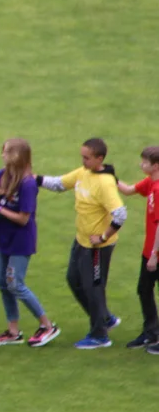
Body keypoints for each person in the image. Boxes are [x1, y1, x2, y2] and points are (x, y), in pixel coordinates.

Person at [37, 138, 127, 349]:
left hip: (97, 247)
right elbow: (60, 184)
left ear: (99, 158)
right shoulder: (83, 173)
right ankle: (105, 318)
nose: (83, 161)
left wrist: (103, 237)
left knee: (93, 288)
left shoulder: (105, 183)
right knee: (73, 279)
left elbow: (121, 214)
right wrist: (36, 179)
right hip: (82, 240)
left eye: (87, 158)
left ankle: (100, 335)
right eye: (82, 157)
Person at [0, 139, 59, 347]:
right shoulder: (3, 175)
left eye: (7, 153)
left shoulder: (28, 184)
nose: (3, 156)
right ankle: (13, 331)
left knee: (16, 284)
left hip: (21, 241)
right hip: (5, 238)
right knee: (2, 283)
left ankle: (47, 325)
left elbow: (23, 218)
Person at [116, 146, 159, 351]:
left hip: (156, 253)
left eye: (144, 162)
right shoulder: (150, 182)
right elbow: (128, 190)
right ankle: (151, 332)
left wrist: (154, 255)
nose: (140, 165)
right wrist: (108, 176)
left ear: (155, 166)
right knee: (144, 289)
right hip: (149, 250)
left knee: (147, 289)